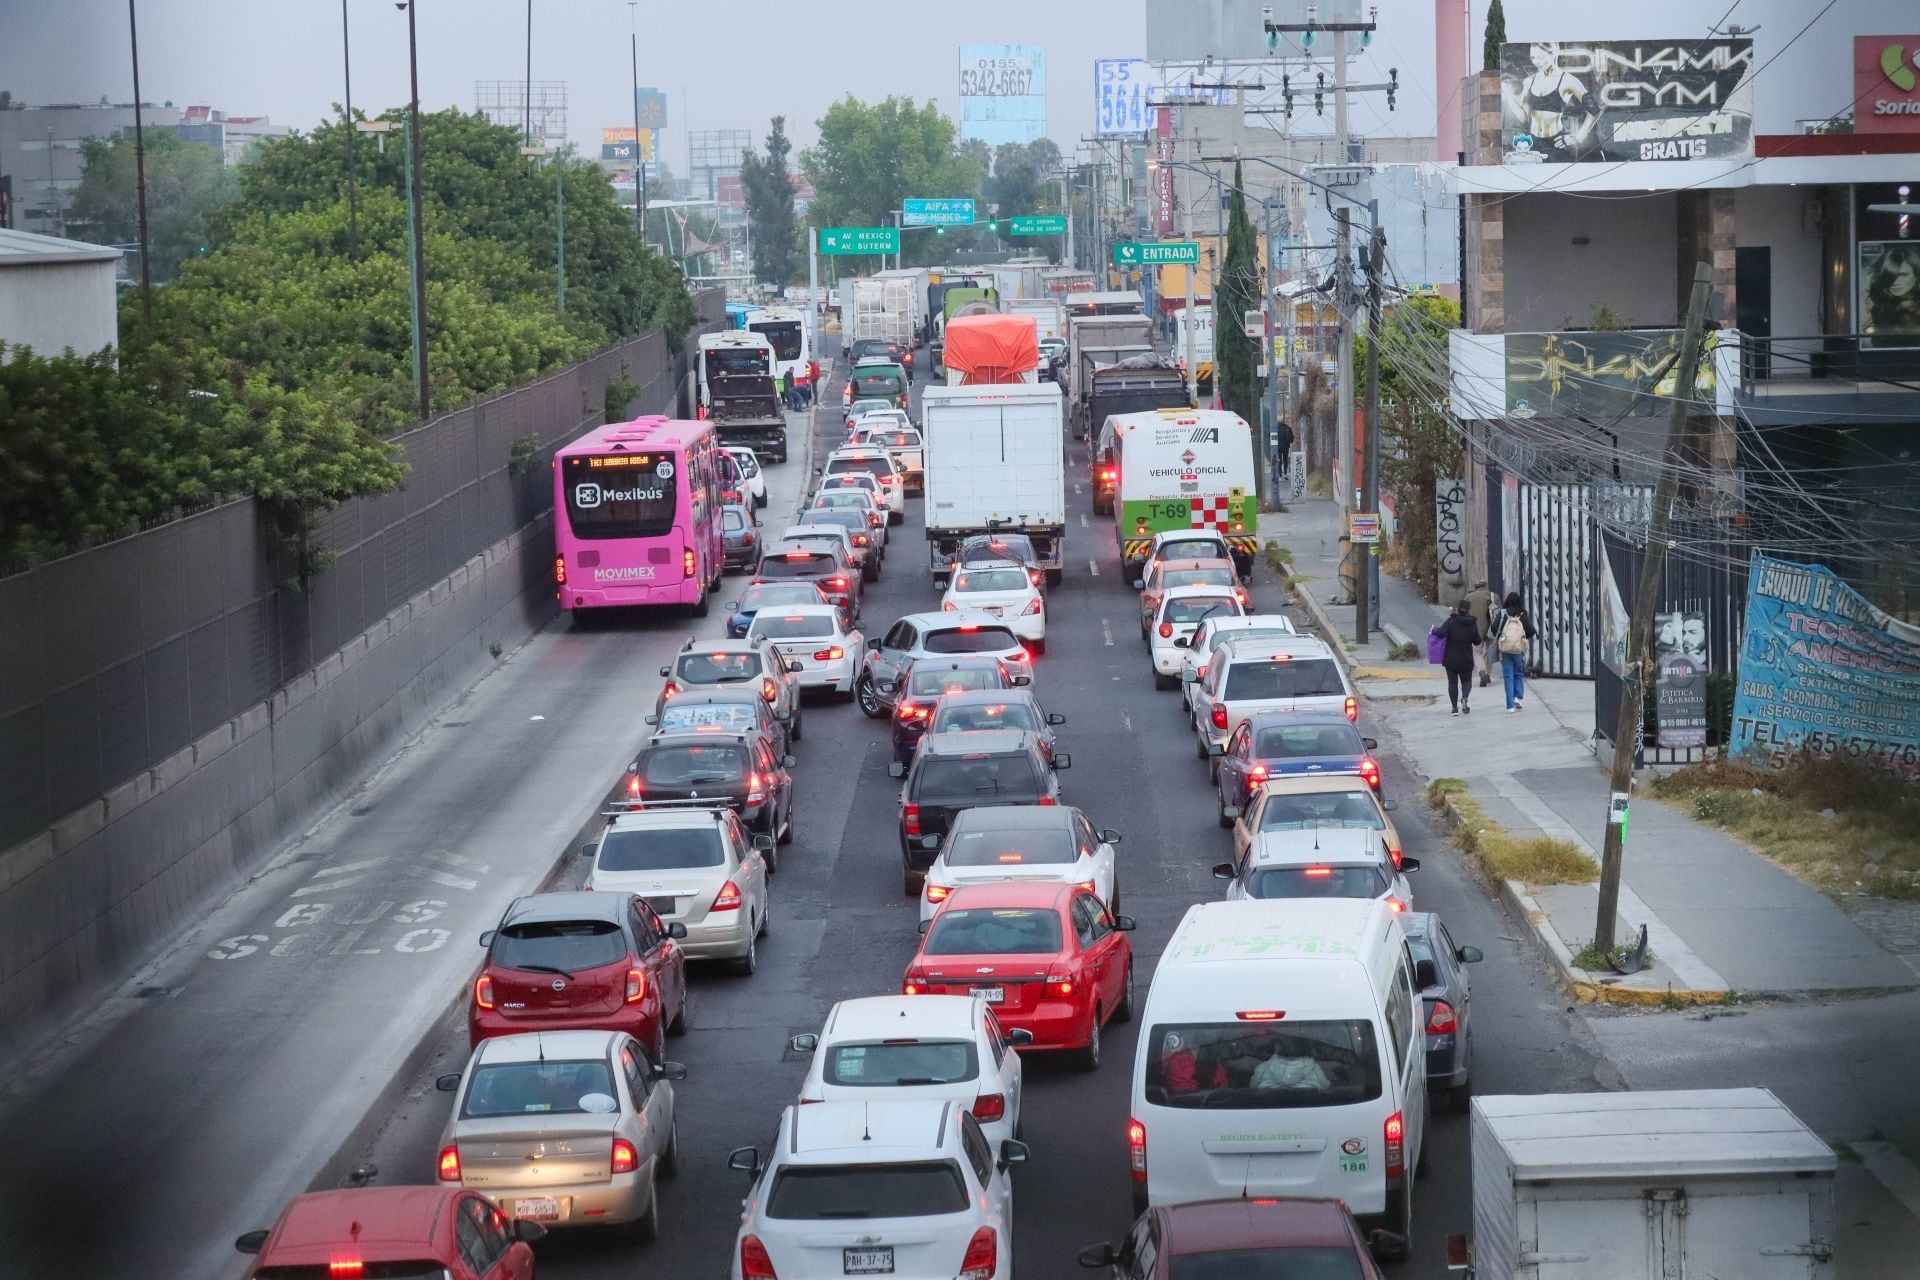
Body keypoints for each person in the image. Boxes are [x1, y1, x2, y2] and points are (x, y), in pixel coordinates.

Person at [1432, 599, 1482, 716]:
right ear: (1468, 610)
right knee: (1466, 681)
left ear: (1458, 609)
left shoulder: (1451, 621)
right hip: (1466, 658)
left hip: (1451, 658)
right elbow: (1477, 641)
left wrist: (1435, 630)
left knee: (1452, 683)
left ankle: (1454, 708)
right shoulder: (1472, 623)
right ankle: (1464, 697)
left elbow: (1440, 633)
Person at [1496, 590, 1538, 711]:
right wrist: (1522, 638)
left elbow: (1494, 628)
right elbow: (1531, 631)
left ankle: (1510, 706)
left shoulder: (1503, 613)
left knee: (1508, 676)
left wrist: (1501, 637)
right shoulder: (1523, 614)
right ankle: (1517, 698)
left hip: (1505, 650)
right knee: (1518, 673)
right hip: (1519, 650)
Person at [1250, 1041, 1330, 1091]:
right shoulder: (1315, 1068)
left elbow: (1252, 1086)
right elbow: (1325, 1086)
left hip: (1264, 1113)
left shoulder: (1263, 1068)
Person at [1465, 580, 1495, 687]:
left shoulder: (1468, 597)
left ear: (1475, 587)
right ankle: (1488, 674)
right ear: (1485, 586)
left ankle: (1482, 671)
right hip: (1491, 629)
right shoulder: (1492, 596)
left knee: (1477, 652)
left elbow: (1464, 613)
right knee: (1489, 652)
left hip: (1475, 629)